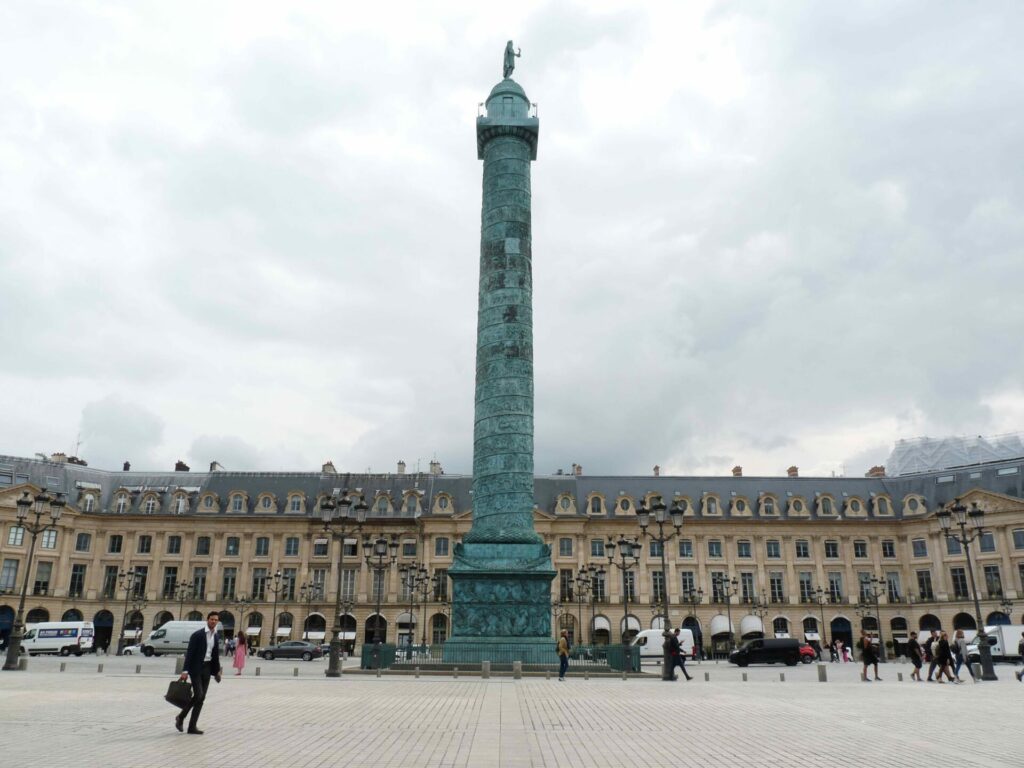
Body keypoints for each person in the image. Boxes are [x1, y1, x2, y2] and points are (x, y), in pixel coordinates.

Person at [176, 611, 222, 734]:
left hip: (207, 668)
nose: (213, 621)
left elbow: (215, 655)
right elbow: (189, 654)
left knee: (201, 698)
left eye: (216, 620)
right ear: (207, 620)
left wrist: (217, 671)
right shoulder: (197, 635)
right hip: (196, 668)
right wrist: (185, 671)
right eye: (212, 619)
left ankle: (192, 726)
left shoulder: (216, 636)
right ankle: (181, 716)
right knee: (198, 695)